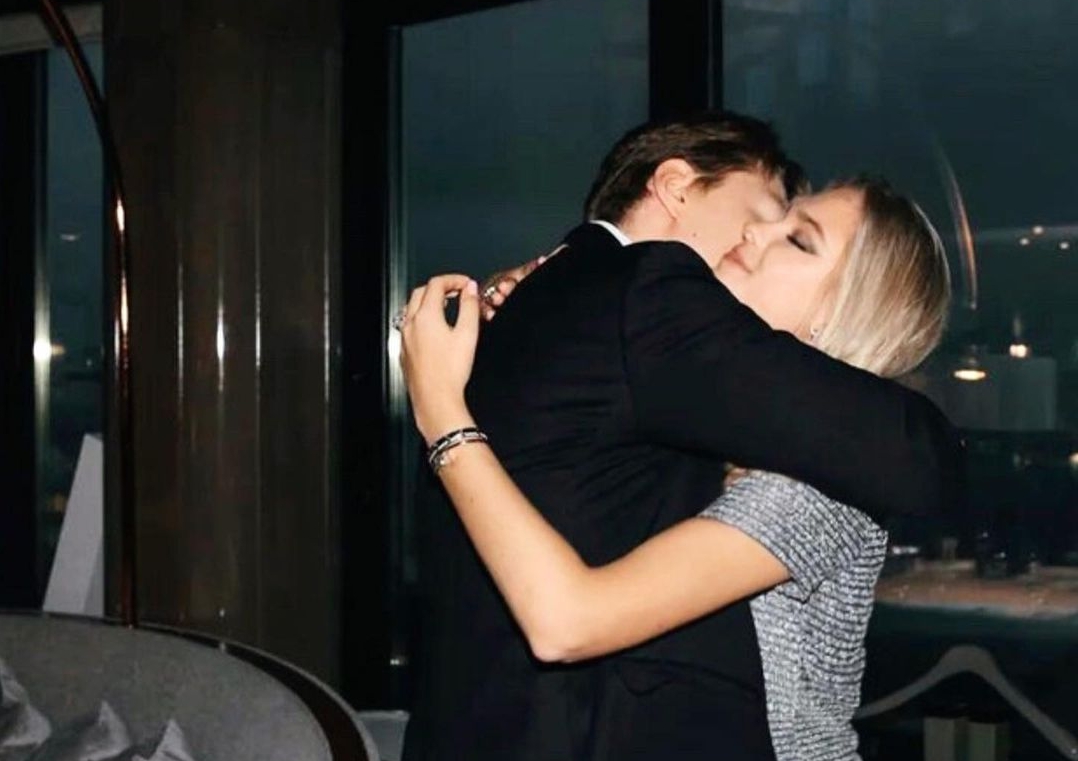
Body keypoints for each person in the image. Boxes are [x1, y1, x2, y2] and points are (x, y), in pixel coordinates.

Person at [399, 112, 962, 761]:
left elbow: (567, 619)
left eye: (797, 239)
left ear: (842, 312)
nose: (755, 231)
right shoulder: (701, 417)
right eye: (770, 214)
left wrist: (443, 414)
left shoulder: (813, 488)